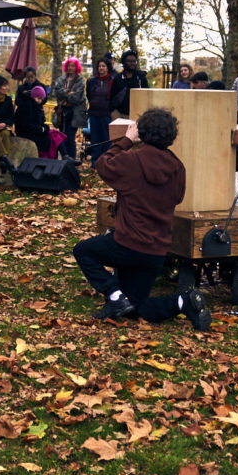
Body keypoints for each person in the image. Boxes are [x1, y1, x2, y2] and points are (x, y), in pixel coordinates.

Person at [71, 108, 210, 331]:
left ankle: (114, 294)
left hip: (126, 244)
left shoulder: (132, 160)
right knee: (135, 307)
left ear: (141, 133)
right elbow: (178, 197)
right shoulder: (177, 167)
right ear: (171, 136)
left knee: (83, 250)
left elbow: (103, 164)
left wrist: (126, 140)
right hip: (155, 252)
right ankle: (183, 301)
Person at [51, 58, 87, 160]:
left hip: (75, 113)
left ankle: (72, 160)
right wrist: (69, 92)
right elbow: (57, 92)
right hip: (62, 112)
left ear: (77, 67)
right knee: (61, 135)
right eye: (69, 65)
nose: (70, 68)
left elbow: (77, 97)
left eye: (73, 66)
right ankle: (64, 158)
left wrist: (65, 94)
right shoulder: (61, 79)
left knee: (70, 137)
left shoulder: (80, 80)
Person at [86, 60, 115, 165]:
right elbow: (89, 95)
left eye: (103, 66)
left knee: (106, 139)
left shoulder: (112, 81)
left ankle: (106, 161)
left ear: (107, 68)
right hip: (94, 114)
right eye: (99, 66)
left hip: (106, 114)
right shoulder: (91, 81)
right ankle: (95, 161)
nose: (101, 68)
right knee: (95, 139)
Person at [110, 50, 149, 118]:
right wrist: (114, 112)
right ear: (124, 62)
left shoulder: (141, 78)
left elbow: (147, 95)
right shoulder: (118, 78)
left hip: (138, 115)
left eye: (134, 61)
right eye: (130, 61)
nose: (133, 63)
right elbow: (112, 96)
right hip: (120, 115)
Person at [15, 84, 52, 154]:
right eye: (38, 98)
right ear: (33, 96)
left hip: (35, 131)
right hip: (26, 133)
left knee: (56, 135)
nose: (40, 101)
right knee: (53, 137)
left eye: (41, 99)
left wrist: (44, 128)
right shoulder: (26, 106)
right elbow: (26, 125)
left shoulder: (37, 106)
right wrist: (42, 129)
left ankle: (64, 155)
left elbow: (41, 122)